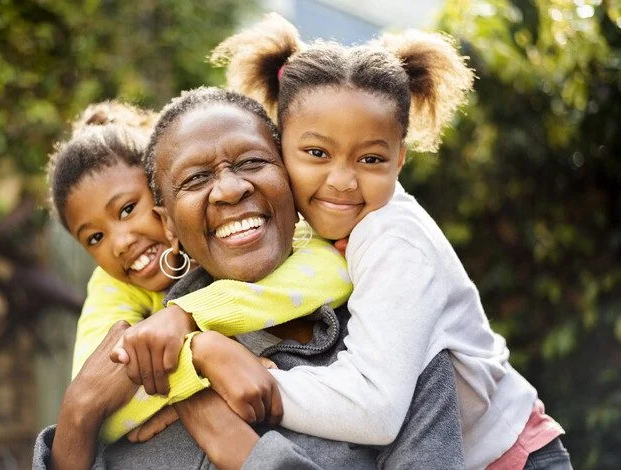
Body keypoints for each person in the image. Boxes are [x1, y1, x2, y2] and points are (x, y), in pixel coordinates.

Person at [33, 87, 466, 469]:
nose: (229, 189)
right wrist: (80, 412)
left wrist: (245, 453)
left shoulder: (396, 346)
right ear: (168, 224)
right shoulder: (141, 365)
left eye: (253, 162)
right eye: (196, 178)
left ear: (292, 181)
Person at [210, 13, 572, 469]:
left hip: (513, 459)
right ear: (279, 146)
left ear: (399, 160)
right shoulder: (310, 229)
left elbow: (376, 409)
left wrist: (265, 383)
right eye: (317, 153)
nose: (342, 181)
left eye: (371, 158)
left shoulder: (393, 239)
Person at [45, 100, 351, 443]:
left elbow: (334, 271)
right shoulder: (112, 286)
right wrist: (198, 366)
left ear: (164, 190)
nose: (119, 243)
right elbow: (94, 393)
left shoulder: (269, 233)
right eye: (95, 237)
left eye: (129, 209)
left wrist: (188, 317)